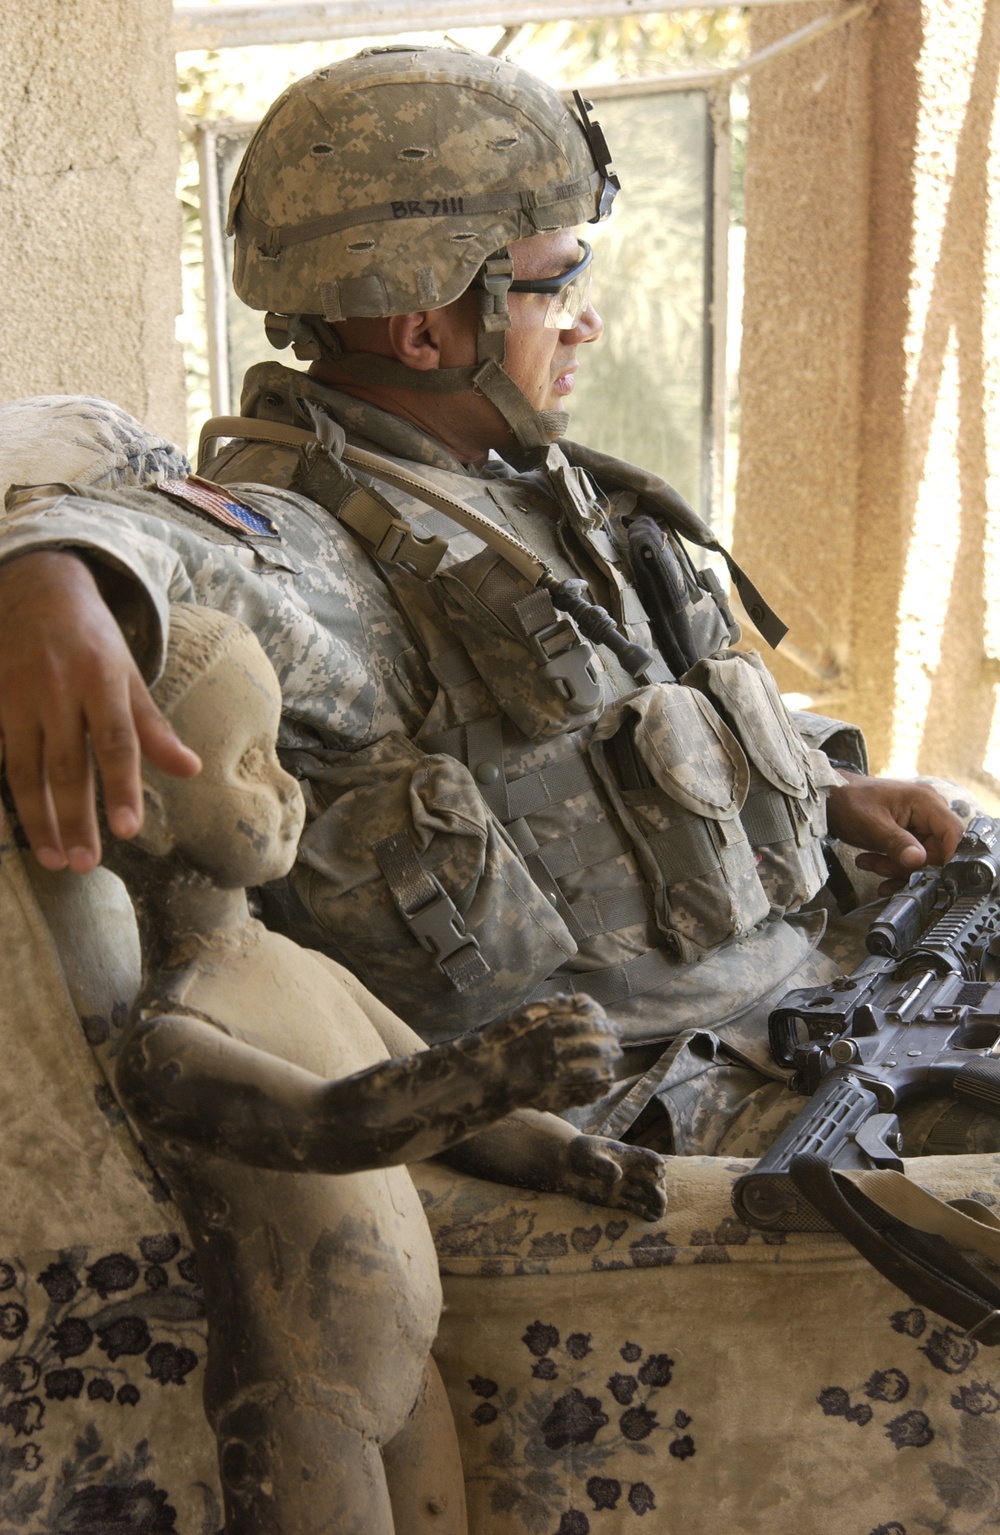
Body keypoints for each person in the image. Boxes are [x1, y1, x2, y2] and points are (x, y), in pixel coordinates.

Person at [0, 44, 973, 1160]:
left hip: (802, 978)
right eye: (558, 284)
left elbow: (617, 739)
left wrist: (821, 792)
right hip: (666, 1089)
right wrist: (48, 575)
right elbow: (132, 534)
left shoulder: (496, 476)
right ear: (422, 329)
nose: (587, 322)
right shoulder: (314, 544)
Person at [108, 600, 664, 1535]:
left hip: (405, 1363)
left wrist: (568, 1153)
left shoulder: (312, 969)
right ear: (151, 815)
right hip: (302, 1402)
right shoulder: (173, 1038)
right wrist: (503, 1065)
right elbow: (333, 1127)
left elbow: (437, 1087)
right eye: (252, 763)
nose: (292, 789)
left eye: (281, 751)